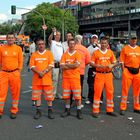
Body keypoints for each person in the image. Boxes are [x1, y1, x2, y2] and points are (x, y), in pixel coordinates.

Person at [90, 37, 117, 118]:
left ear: (107, 44)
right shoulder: (96, 52)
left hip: (108, 74)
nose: (103, 44)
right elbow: (91, 63)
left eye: (105, 43)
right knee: (97, 92)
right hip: (99, 74)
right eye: (102, 43)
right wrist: (97, 65)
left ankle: (110, 110)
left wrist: (112, 65)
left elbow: (115, 62)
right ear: (99, 43)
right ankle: (95, 111)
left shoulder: (110, 52)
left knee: (110, 93)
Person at [30, 38, 55, 119]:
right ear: (37, 46)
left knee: (49, 97)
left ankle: (50, 111)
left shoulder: (49, 54)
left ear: (45, 45)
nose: (41, 45)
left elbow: (51, 65)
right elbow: (32, 66)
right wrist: (39, 72)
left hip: (47, 80)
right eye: (39, 44)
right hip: (37, 80)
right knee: (37, 97)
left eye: (42, 44)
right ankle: (38, 111)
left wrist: (43, 72)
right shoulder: (34, 55)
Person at [0, 32, 23, 119]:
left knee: (15, 93)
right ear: (6, 39)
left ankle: (14, 110)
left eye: (12, 38)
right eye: (9, 38)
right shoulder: (1, 48)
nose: (10, 39)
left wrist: (18, 71)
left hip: (15, 73)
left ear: (14, 39)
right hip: (4, 73)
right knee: (1, 93)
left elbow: (20, 61)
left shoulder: (18, 49)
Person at [60, 39, 83, 119]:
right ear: (68, 45)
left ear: (75, 45)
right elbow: (62, 66)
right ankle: (67, 110)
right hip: (66, 78)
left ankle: (79, 111)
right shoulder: (64, 55)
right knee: (66, 96)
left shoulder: (78, 54)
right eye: (70, 44)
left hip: (75, 78)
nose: (72, 45)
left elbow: (76, 66)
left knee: (77, 97)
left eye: (73, 44)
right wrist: (72, 65)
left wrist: (67, 64)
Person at [120, 35, 140, 115]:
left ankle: (137, 107)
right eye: (132, 39)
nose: (134, 41)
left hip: (137, 72)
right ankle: (123, 107)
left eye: (135, 39)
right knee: (125, 90)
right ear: (129, 40)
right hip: (127, 71)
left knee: (137, 91)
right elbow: (121, 61)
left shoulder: (139, 49)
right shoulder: (125, 48)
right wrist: (123, 71)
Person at [86, 34, 103, 104]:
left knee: (100, 84)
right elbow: (87, 58)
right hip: (91, 68)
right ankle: (90, 98)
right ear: (90, 40)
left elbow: (106, 52)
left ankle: (100, 98)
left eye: (95, 39)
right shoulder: (88, 48)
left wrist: (99, 46)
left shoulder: (100, 47)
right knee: (91, 84)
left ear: (97, 40)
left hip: (99, 68)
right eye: (92, 39)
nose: (94, 40)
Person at [48, 27, 63, 99]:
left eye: (59, 35)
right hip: (55, 63)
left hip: (61, 64)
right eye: (57, 35)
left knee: (60, 80)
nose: (58, 36)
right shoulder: (53, 42)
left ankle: (58, 93)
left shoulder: (60, 43)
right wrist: (53, 32)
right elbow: (49, 39)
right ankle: (52, 94)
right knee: (54, 80)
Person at [75, 35, 91, 100]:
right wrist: (83, 64)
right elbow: (88, 61)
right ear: (81, 40)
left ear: (75, 40)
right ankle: (79, 98)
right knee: (80, 85)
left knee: (72, 85)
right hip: (81, 70)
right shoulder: (85, 49)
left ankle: (72, 98)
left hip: (72, 70)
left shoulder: (71, 48)